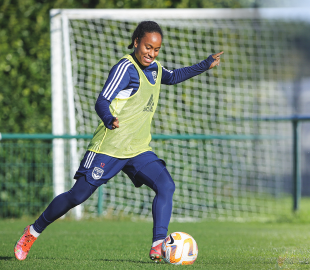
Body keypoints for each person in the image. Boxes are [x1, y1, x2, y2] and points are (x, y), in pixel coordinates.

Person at [14, 21, 223, 262]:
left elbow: (174, 76)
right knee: (77, 196)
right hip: (109, 147)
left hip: (137, 149)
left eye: (156, 49)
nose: (151, 53)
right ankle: (32, 231)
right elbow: (101, 100)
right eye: (147, 47)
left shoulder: (155, 69)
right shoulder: (125, 68)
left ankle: (158, 244)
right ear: (136, 42)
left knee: (166, 186)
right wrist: (109, 118)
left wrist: (205, 65)